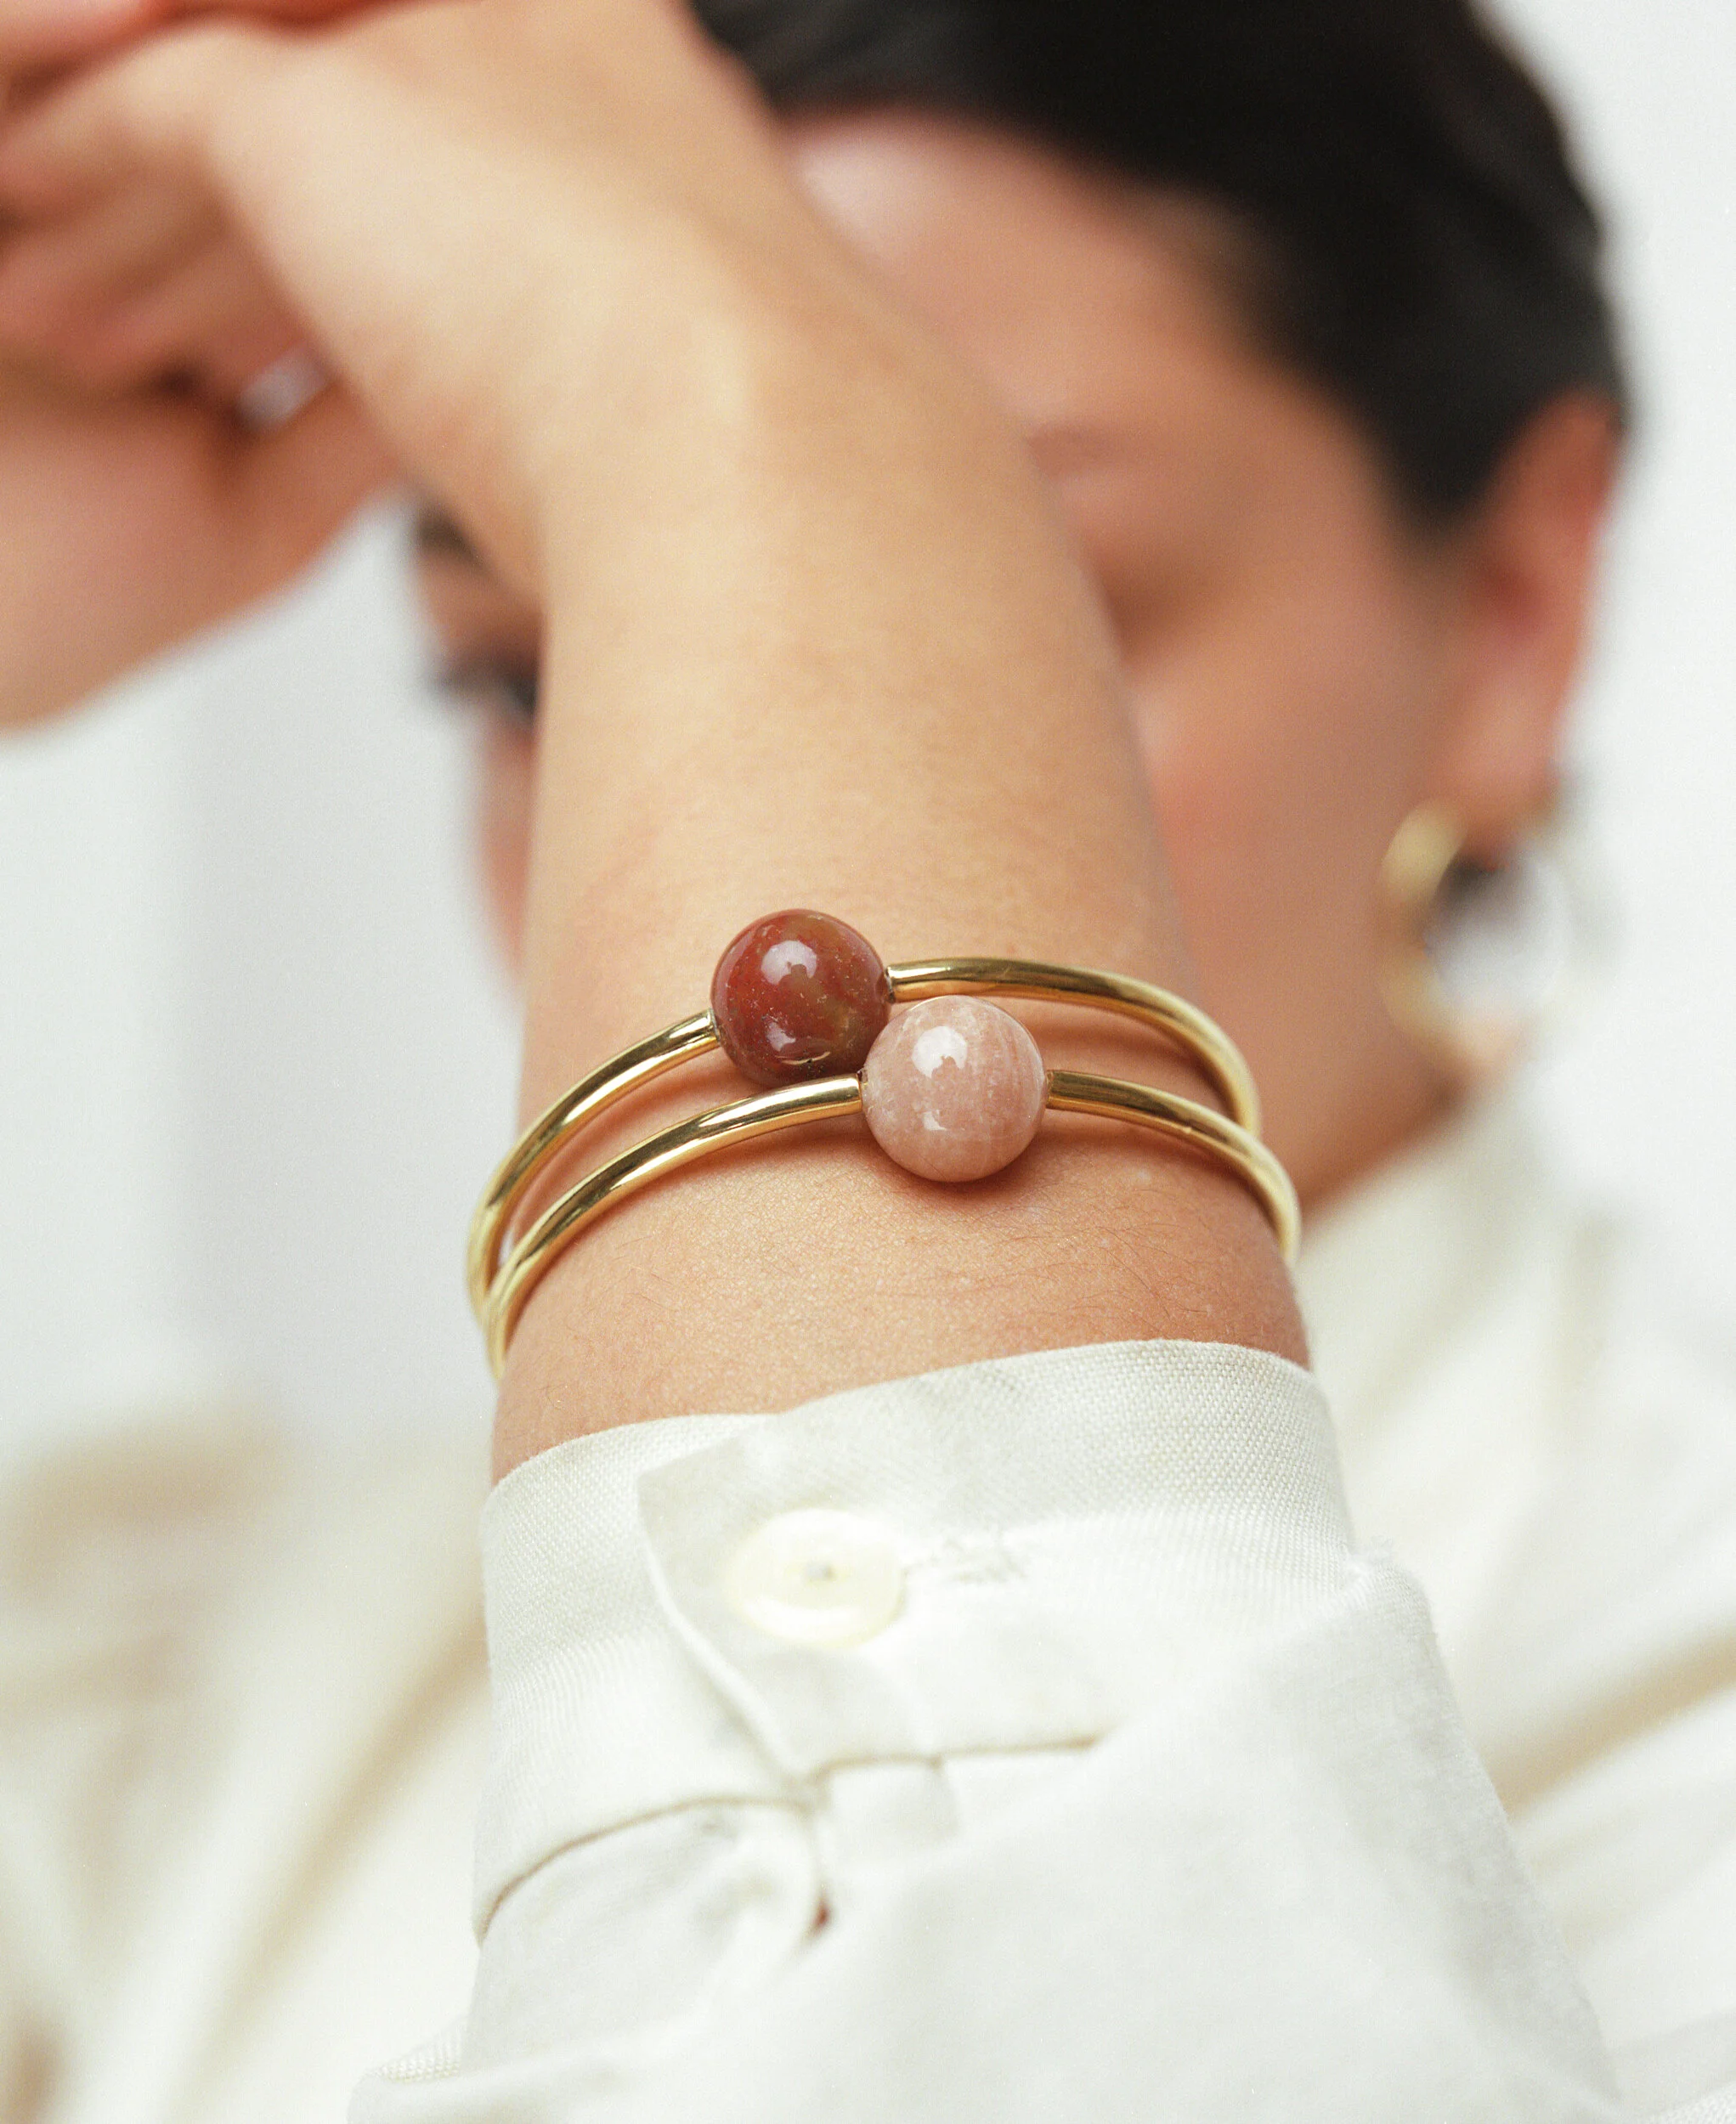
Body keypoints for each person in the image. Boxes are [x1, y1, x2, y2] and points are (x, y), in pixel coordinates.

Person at [0, 0, 1731, 2118]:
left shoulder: (1681, 1684)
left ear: (1515, 608)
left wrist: (732, 398)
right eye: (531, 676)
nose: (681, 802)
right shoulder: (169, 1671)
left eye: (988, 594)